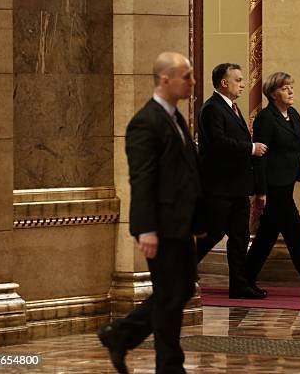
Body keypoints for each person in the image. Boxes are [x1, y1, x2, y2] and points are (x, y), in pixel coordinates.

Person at [97, 52, 205, 374]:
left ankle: (121, 335)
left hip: (181, 223)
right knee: (171, 295)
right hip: (162, 224)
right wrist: (145, 229)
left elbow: (186, 172)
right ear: (165, 80)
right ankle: (169, 367)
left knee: (181, 289)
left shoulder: (175, 117)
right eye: (187, 76)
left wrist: (197, 219)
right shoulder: (146, 122)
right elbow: (141, 178)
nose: (192, 81)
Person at [245, 72, 300, 297]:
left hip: (287, 182)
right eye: (285, 88)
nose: (291, 91)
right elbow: (260, 157)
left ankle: (244, 278)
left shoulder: (293, 114)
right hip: (274, 186)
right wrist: (261, 191)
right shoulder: (266, 118)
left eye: (291, 87)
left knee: (267, 235)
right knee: (296, 230)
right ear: (274, 94)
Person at [196, 63, 268, 299]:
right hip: (219, 186)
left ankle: (239, 285)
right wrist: (251, 148)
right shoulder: (212, 109)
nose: (243, 84)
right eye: (238, 80)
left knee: (239, 238)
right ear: (224, 83)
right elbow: (217, 143)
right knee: (213, 233)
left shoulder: (232, 108)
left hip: (238, 186)